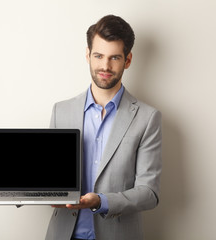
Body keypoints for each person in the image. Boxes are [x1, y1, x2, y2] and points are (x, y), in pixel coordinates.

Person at [45, 15, 162, 240]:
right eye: (98, 56)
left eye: (114, 58)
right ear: (88, 55)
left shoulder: (148, 118)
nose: (105, 66)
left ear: (127, 60)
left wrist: (102, 201)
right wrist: (11, 184)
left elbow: (149, 193)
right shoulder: (61, 111)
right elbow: (51, 179)